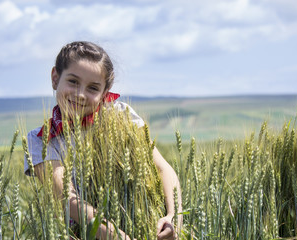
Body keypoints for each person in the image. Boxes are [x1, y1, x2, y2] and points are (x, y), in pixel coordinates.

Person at [24, 41, 182, 240]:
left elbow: (163, 169)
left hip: (144, 229)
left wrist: (173, 217)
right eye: (73, 81)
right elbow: (68, 198)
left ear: (105, 92)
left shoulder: (121, 116)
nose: (80, 94)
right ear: (55, 78)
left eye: (92, 88)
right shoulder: (41, 140)